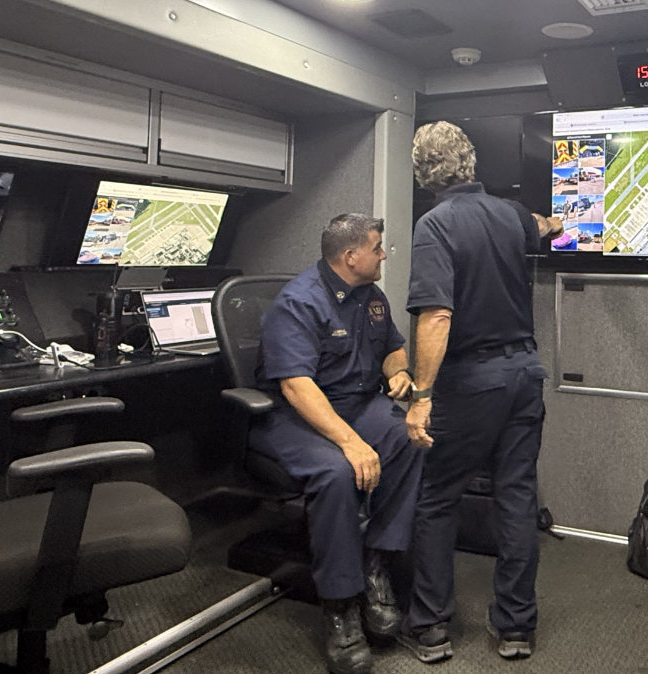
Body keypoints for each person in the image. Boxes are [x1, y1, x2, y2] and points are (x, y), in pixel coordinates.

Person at [397, 121, 563, 663]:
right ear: (470, 162)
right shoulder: (510, 215)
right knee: (515, 497)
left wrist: (421, 397)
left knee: (437, 499)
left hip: (471, 381)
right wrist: (557, 221)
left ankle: (430, 628)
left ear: (424, 175)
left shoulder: (435, 224)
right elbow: (542, 226)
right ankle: (515, 628)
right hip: (525, 375)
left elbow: (436, 316)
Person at [252, 213, 425, 674]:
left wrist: (399, 371)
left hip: (358, 403)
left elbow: (392, 346)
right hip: (298, 414)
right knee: (335, 471)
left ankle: (375, 563)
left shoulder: (370, 296)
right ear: (351, 256)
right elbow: (296, 387)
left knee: (410, 438)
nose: (384, 255)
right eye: (377, 248)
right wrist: (351, 443)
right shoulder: (298, 303)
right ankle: (341, 606)